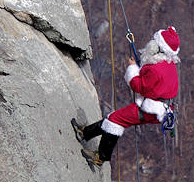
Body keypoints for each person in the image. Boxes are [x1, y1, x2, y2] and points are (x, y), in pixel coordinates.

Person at [72, 26, 180, 166]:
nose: (151, 42)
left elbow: (139, 86)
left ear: (160, 48)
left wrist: (132, 69)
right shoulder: (166, 63)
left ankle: (100, 157)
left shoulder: (157, 69)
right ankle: (85, 133)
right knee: (116, 117)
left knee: (115, 120)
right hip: (161, 107)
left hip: (151, 109)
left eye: (154, 41)